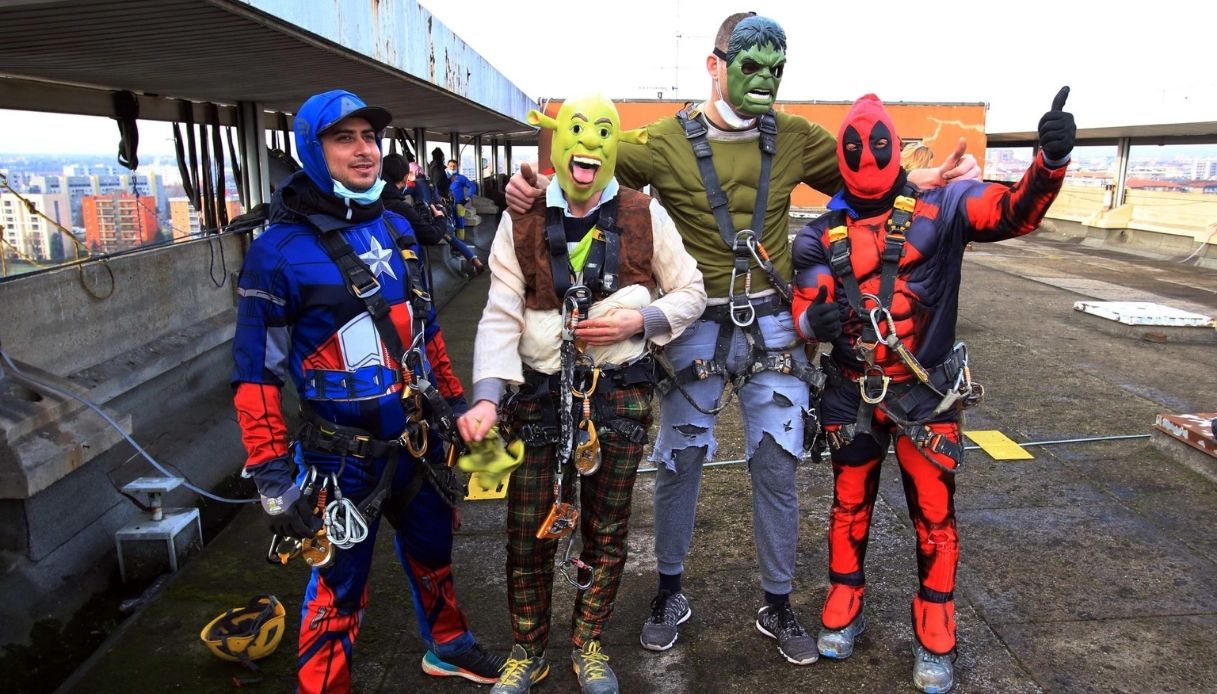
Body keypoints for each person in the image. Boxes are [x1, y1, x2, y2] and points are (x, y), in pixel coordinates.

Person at [505, 12, 980, 667]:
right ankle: (668, 592)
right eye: (751, 66)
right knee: (677, 465)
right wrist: (534, 185)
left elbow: (864, 180)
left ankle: (778, 603)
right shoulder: (664, 141)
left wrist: (923, 183)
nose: (764, 80)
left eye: (775, 70)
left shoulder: (794, 137)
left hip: (773, 324)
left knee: (776, 469)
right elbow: (585, 163)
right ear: (714, 64)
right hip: (693, 322)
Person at [791, 88, 1074, 693]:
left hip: (929, 395)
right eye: (855, 145)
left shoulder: (944, 208)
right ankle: (844, 602)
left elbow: (1012, 212)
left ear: (896, 147)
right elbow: (806, 303)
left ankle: (936, 630)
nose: (866, 155)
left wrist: (1047, 166)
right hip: (852, 394)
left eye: (877, 142)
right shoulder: (817, 235)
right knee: (848, 506)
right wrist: (813, 322)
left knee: (935, 518)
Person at [231, 89, 505, 692]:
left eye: (369, 138)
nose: (364, 151)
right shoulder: (277, 253)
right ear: (311, 148)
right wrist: (275, 478)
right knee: (338, 585)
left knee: (435, 552)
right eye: (344, 138)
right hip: (338, 459)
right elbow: (256, 375)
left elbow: (425, 335)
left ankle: (448, 645)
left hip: (415, 441)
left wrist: (455, 404)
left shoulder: (398, 227)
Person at [457, 94, 706, 694]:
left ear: (613, 144)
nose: (588, 144)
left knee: (608, 526)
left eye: (601, 132)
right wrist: (488, 395)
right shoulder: (520, 219)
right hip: (539, 396)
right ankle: (528, 651)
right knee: (525, 528)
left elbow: (692, 290)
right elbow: (499, 313)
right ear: (559, 146)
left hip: (618, 398)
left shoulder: (647, 215)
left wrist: (637, 323)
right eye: (577, 132)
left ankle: (589, 645)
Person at [381, 154, 485, 274]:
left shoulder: (412, 186)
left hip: (425, 219)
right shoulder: (430, 183)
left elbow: (403, 192)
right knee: (452, 238)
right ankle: (474, 259)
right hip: (438, 215)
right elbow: (437, 199)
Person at [448, 159, 478, 239]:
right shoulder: (443, 178)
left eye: (454, 166)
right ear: (447, 166)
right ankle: (452, 244)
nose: (452, 168)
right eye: (450, 166)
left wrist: (467, 198)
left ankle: (461, 243)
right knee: (449, 224)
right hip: (447, 205)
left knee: (460, 224)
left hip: (459, 204)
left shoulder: (460, 178)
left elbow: (472, 186)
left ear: (457, 167)